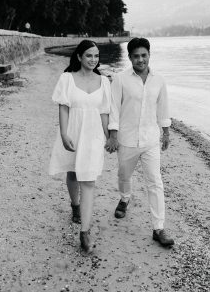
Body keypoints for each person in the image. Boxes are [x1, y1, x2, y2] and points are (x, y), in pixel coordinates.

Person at [106, 37, 174, 247]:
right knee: (123, 175)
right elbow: (114, 108)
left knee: (155, 182)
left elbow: (163, 107)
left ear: (149, 55)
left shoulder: (159, 80)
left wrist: (166, 132)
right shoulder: (120, 79)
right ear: (130, 58)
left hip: (150, 140)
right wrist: (113, 135)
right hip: (126, 139)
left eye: (144, 55)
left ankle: (158, 228)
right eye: (136, 56)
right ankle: (125, 198)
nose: (140, 60)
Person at [49, 40, 111, 253]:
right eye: (89, 56)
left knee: (89, 180)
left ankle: (84, 231)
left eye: (96, 56)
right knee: (73, 174)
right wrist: (64, 133)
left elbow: (104, 112)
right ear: (79, 57)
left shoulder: (103, 82)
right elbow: (64, 107)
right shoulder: (67, 79)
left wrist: (109, 136)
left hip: (94, 135)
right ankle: (75, 205)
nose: (93, 60)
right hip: (74, 131)